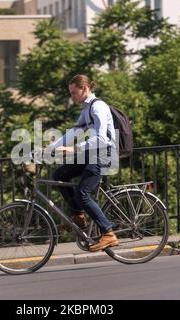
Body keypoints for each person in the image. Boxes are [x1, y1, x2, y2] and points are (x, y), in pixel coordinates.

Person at [45, 74, 119, 252]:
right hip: (92, 152)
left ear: (85, 89)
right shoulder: (86, 110)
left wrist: (75, 149)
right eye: (71, 94)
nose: (72, 97)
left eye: (74, 93)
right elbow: (74, 132)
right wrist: (50, 148)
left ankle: (108, 233)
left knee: (83, 192)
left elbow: (102, 138)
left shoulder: (98, 107)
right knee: (59, 175)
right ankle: (78, 215)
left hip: (103, 153)